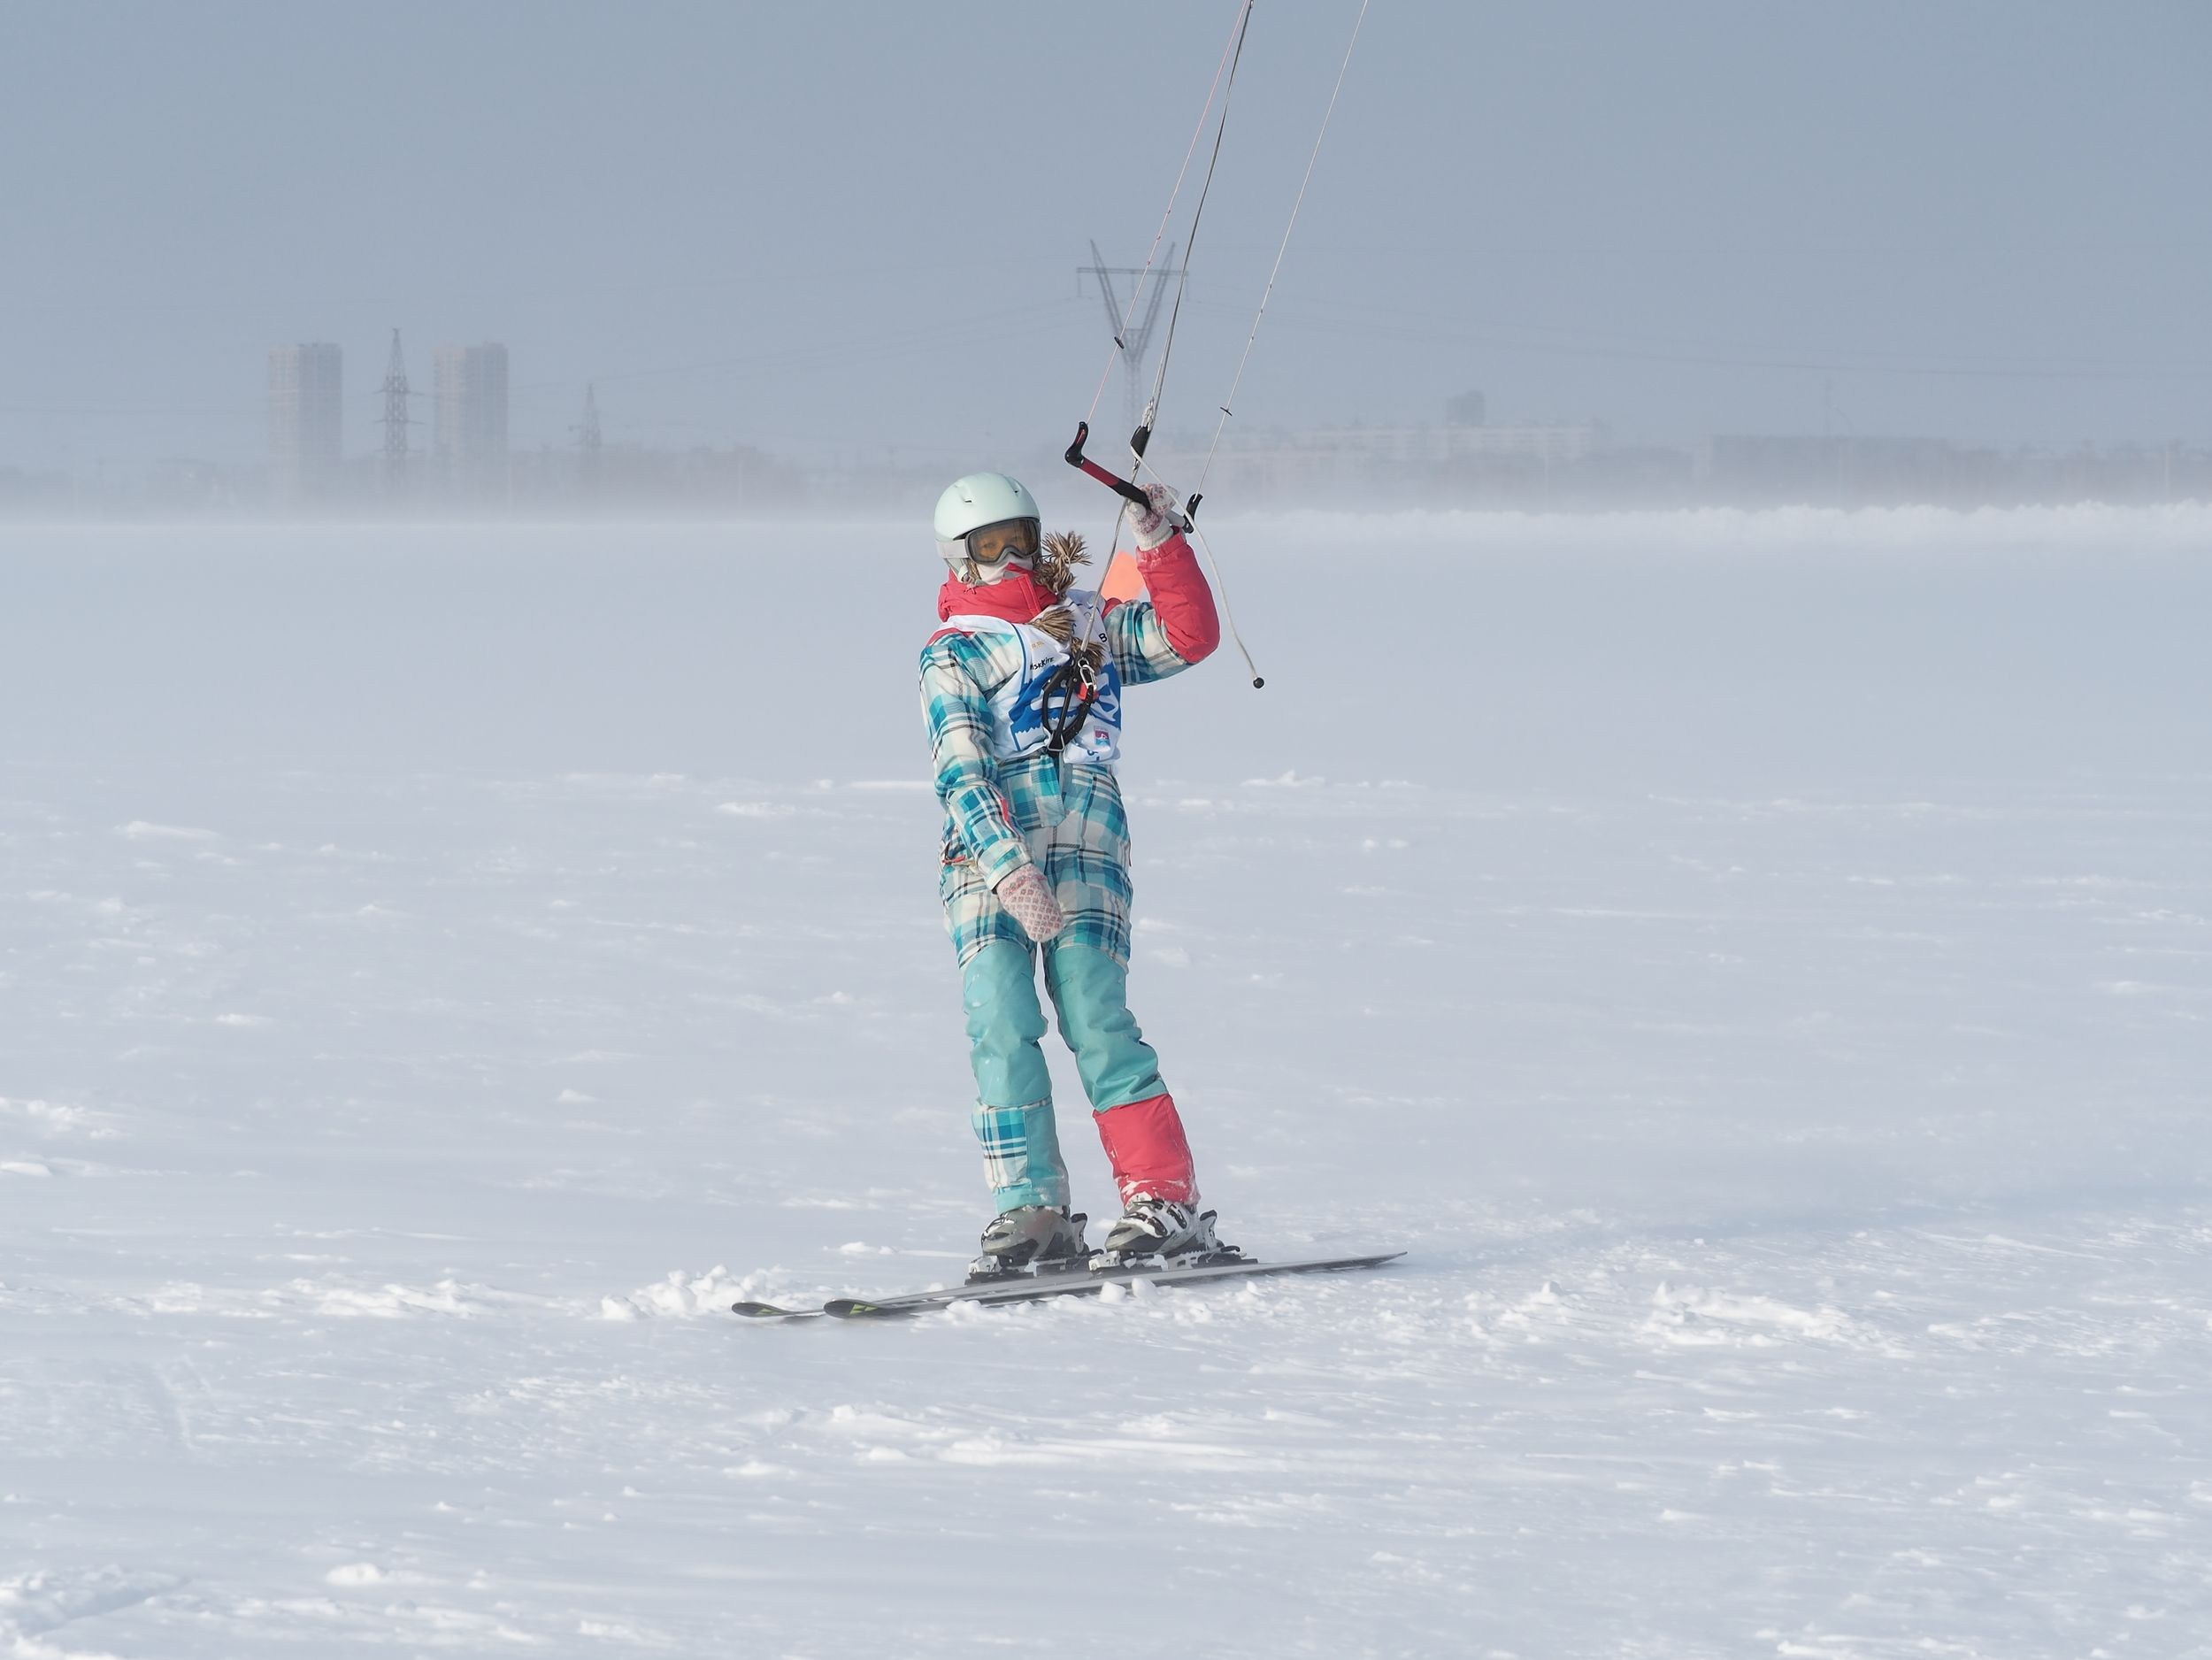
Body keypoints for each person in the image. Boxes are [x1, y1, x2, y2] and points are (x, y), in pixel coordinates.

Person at [919, 470, 1225, 1275]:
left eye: (1022, 537)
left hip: (1087, 842)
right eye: (992, 546)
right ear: (961, 559)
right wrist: (1009, 870)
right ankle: (1033, 1211)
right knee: (1000, 1023)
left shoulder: (1088, 624)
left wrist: (1159, 543)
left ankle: (1164, 1198)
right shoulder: (954, 653)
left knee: (1095, 1018)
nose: (1015, 557)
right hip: (988, 860)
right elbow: (960, 769)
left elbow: (1188, 639)